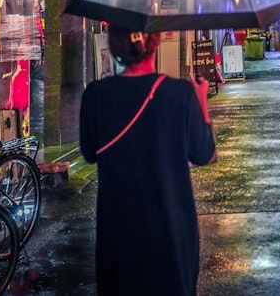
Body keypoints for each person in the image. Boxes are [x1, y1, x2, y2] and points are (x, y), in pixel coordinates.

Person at [80, 26, 216, 295]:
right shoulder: (180, 93)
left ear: (115, 46)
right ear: (154, 44)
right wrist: (202, 102)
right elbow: (204, 153)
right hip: (171, 233)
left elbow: (89, 152)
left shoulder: (95, 95)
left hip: (118, 231)